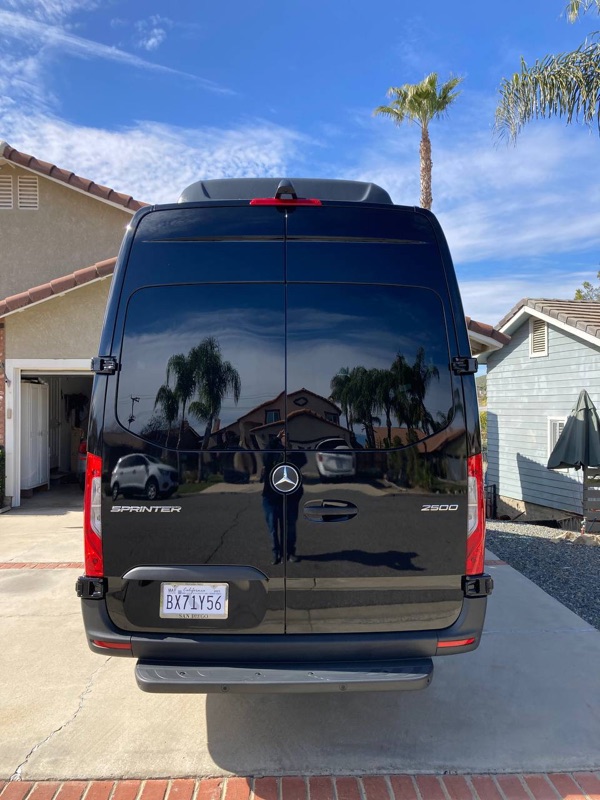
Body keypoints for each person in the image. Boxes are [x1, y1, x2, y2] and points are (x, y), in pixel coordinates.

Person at [261, 429, 306, 564]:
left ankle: (290, 552)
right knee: (273, 527)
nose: (286, 438)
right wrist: (275, 439)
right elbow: (265, 456)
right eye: (283, 436)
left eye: (288, 436)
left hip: (290, 498)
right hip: (271, 496)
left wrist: (290, 452)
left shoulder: (295, 454)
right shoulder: (273, 453)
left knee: (290, 527)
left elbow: (302, 460)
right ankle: (276, 554)